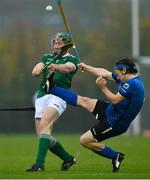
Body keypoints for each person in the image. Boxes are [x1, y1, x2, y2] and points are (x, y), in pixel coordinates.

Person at [48, 57, 145, 172]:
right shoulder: (127, 79)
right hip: (111, 110)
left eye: (118, 74)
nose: (116, 76)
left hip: (115, 123)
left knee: (84, 140)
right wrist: (86, 67)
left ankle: (115, 156)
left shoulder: (133, 85)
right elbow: (105, 73)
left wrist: (102, 87)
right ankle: (51, 88)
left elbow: (114, 99)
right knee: (85, 101)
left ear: (124, 71)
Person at [26, 32, 78, 172]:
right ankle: (68, 159)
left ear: (66, 46)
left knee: (44, 126)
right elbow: (36, 70)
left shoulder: (72, 59)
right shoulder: (47, 57)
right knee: (43, 136)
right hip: (42, 96)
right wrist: (38, 69)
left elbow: (68, 68)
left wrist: (55, 66)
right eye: (55, 43)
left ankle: (39, 165)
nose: (56, 45)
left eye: (59, 43)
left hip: (59, 96)